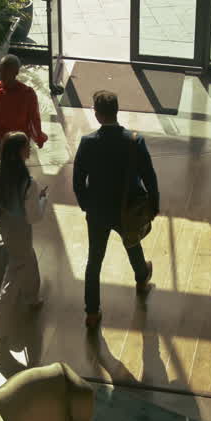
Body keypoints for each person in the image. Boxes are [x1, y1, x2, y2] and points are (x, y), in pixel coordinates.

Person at [72, 90, 159, 328]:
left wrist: (86, 205)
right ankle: (142, 279)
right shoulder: (134, 141)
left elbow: (78, 180)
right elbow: (149, 176)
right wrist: (154, 204)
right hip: (128, 207)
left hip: (98, 211)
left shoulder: (87, 143)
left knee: (94, 260)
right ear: (116, 111)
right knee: (132, 242)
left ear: (97, 115)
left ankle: (92, 312)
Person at [0, 131, 49, 363]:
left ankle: (32, 297)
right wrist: (42, 199)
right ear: (20, 152)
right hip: (21, 228)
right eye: (27, 147)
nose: (29, 149)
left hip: (6, 224)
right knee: (13, 276)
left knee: (26, 258)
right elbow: (34, 217)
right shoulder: (29, 183)